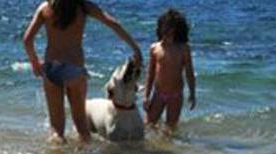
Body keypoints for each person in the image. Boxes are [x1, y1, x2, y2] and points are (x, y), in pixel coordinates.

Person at [23, 0, 142, 143]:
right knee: (82, 127)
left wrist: (34, 62)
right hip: (75, 69)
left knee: (56, 129)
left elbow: (27, 39)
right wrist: (135, 48)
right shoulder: (83, 6)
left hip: (51, 68)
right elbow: (112, 23)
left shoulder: (45, 8)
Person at [143, 9, 196, 129]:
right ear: (160, 29)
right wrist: (146, 96)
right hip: (158, 94)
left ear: (177, 31)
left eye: (170, 31)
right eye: (164, 30)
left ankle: (166, 147)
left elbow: (189, 73)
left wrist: (192, 93)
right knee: (148, 125)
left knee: (170, 128)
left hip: (175, 95)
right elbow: (150, 74)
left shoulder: (183, 49)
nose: (167, 34)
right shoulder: (155, 48)